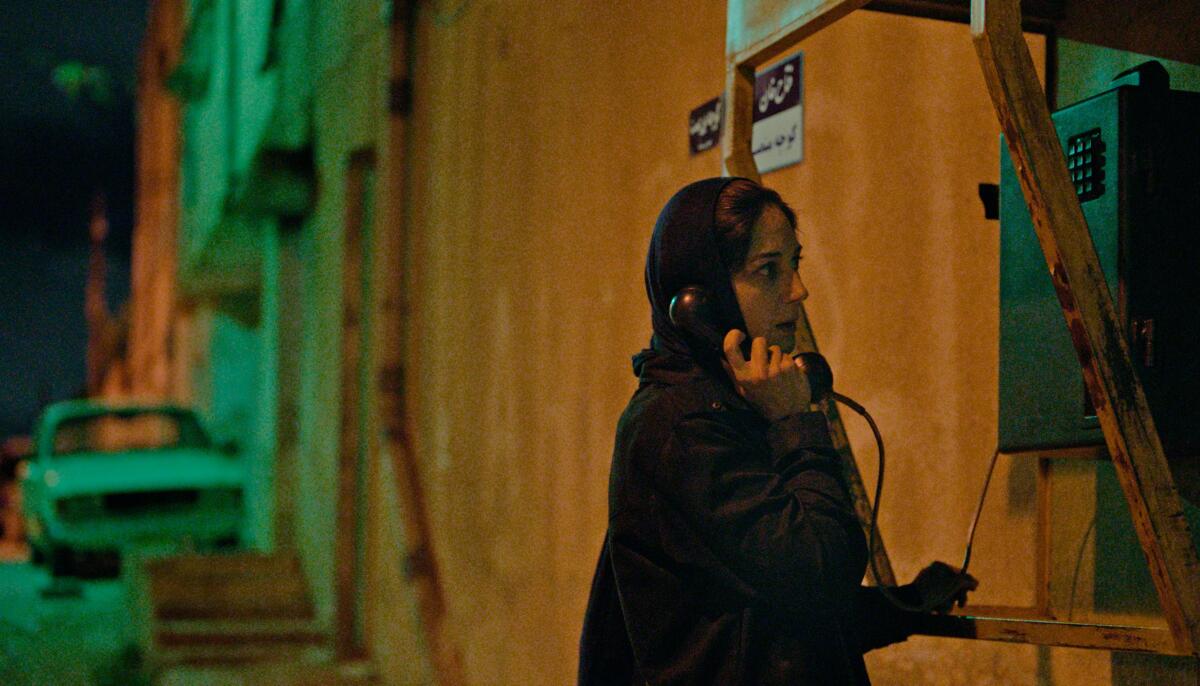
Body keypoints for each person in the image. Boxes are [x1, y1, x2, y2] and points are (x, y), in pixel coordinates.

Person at [579, 177, 977, 685]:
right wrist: (795, 424)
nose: (798, 291)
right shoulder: (684, 427)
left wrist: (909, 604)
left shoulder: (730, 404)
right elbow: (820, 574)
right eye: (768, 270)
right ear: (701, 301)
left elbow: (776, 610)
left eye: (795, 263)